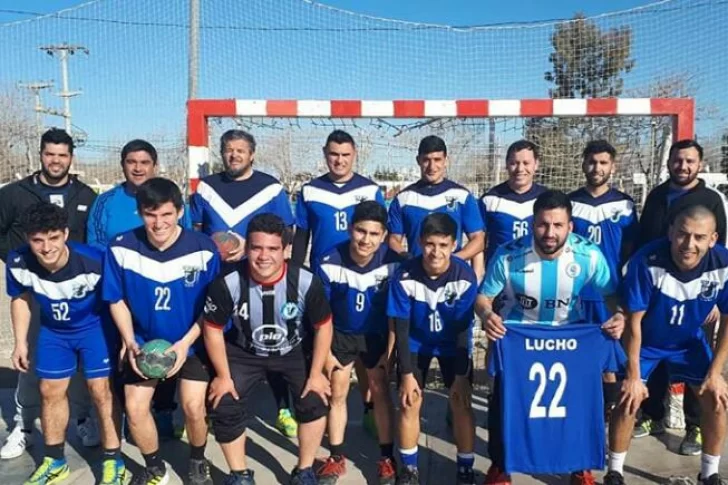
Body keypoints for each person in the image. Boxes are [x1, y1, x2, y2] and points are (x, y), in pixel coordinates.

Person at [476, 190, 624, 485]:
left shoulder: (589, 255)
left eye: (558, 225)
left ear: (570, 226)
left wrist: (619, 316)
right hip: (520, 337)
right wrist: (487, 316)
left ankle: (579, 465)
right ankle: (500, 466)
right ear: (533, 223)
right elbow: (483, 298)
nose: (550, 232)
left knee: (578, 403)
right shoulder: (508, 254)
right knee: (504, 402)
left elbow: (613, 297)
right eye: (543, 224)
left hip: (570, 338)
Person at [103, 178, 220, 485]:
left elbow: (213, 308)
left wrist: (183, 345)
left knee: (194, 407)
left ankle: (197, 462)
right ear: (140, 212)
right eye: (150, 214)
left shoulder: (203, 248)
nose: (159, 223)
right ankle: (155, 468)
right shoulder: (121, 247)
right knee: (135, 407)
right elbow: (115, 299)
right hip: (143, 342)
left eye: (166, 214)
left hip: (192, 343)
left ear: (179, 212)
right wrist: (129, 340)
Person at [202, 213, 332, 485]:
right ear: (246, 248)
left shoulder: (307, 281)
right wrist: (223, 376)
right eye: (256, 247)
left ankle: (304, 470)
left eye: (272, 249)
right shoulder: (228, 283)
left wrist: (317, 373)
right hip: (244, 352)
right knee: (223, 404)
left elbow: (323, 326)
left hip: (293, 350)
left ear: (285, 250)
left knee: (315, 398)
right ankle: (239, 475)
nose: (264, 256)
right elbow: (212, 329)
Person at [605, 205, 728, 485]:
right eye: (683, 234)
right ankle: (615, 472)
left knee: (716, 398)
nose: (689, 244)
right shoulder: (647, 260)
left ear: (713, 239)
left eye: (699, 237)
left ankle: (710, 474)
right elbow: (633, 324)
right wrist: (634, 377)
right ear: (671, 232)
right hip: (647, 341)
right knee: (628, 398)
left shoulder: (723, 264)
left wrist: (716, 373)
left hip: (688, 343)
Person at [190, 129, 298, 438]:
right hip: (217, 277)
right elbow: (196, 232)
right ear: (221, 153)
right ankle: (213, 405)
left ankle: (283, 408)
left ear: (252, 154)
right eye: (228, 150)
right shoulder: (207, 188)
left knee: (271, 339)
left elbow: (286, 234)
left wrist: (255, 252)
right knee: (217, 339)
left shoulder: (271, 188)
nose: (234, 155)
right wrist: (215, 245)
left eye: (240, 150)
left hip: (260, 276)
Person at [7, 203, 124, 485]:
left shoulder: (95, 260)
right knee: (49, 390)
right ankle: (55, 461)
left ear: (65, 234)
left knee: (100, 391)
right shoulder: (18, 261)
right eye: (38, 240)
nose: (47, 247)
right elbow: (21, 299)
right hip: (54, 331)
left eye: (53, 237)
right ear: (27, 239)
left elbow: (118, 300)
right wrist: (20, 342)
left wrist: (125, 340)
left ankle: (113, 460)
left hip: (94, 328)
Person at [0, 128, 99, 459]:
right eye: (49, 154)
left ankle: (83, 418)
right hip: (34, 292)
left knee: (82, 363)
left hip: (75, 292)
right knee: (31, 360)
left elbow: (91, 242)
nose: (55, 160)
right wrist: (19, 260)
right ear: (40, 154)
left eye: (62, 155)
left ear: (71, 158)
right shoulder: (15, 193)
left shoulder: (85, 195)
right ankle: (24, 425)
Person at [634, 139, 728, 455]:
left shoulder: (710, 199)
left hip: (698, 295)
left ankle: (694, 426)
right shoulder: (658, 196)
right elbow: (644, 239)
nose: (683, 166)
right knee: (655, 355)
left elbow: (717, 250)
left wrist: (714, 299)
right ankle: (652, 416)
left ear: (698, 164)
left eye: (689, 161)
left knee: (692, 361)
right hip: (658, 289)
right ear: (670, 163)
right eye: (678, 160)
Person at [291, 129, 385, 439]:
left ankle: (370, 409)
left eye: (345, 155)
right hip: (327, 280)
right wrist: (295, 276)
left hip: (365, 278)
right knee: (334, 355)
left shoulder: (371, 190)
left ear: (354, 155)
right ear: (325, 154)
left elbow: (383, 235)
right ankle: (325, 420)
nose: (339, 160)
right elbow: (302, 237)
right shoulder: (310, 191)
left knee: (365, 355)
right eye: (334, 154)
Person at [86, 139, 182, 440]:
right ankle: (126, 415)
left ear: (154, 165)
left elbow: (184, 237)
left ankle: (164, 410)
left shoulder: (170, 199)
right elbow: (96, 248)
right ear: (123, 165)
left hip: (164, 289)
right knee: (124, 353)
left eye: (144, 162)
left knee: (163, 349)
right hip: (122, 293)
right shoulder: (106, 202)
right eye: (131, 162)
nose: (138, 168)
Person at [314, 201, 403, 485]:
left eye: (374, 234)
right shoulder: (329, 261)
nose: (366, 239)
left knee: (380, 392)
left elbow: (396, 314)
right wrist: (326, 352)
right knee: (337, 392)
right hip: (339, 333)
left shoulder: (394, 263)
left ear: (384, 234)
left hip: (376, 334)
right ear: (351, 228)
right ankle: (336, 456)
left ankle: (386, 457)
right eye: (361, 231)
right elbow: (321, 314)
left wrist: (390, 351)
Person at [387, 212, 478, 485]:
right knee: (409, 402)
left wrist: (461, 376)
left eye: (442, 245)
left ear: (453, 245)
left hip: (452, 344)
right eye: (429, 244)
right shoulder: (404, 275)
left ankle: (465, 467)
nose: (435, 252)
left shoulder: (465, 275)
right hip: (416, 342)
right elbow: (401, 328)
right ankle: (410, 468)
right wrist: (405, 373)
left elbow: (463, 328)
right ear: (419, 242)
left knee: (461, 402)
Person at [569, 140, 639, 411]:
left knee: (610, 359)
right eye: (592, 161)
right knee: (575, 353)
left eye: (603, 162)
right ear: (583, 163)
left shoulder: (624, 204)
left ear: (613, 166)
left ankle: (610, 412)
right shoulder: (570, 202)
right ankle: (578, 409)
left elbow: (632, 253)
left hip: (609, 296)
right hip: (573, 293)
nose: (596, 167)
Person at [387, 135, 484, 263]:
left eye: (437, 159)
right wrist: (407, 257)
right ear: (418, 160)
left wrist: (453, 260)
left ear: (446, 161)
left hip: (452, 277)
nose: (432, 166)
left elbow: (478, 239)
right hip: (416, 275)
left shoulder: (462, 196)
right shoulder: (403, 199)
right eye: (426, 160)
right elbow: (393, 239)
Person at [479, 139, 547, 269]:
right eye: (514, 163)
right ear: (506, 165)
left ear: (536, 164)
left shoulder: (547, 198)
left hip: (539, 273)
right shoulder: (490, 200)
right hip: (499, 275)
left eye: (526, 163)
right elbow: (478, 241)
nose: (520, 169)